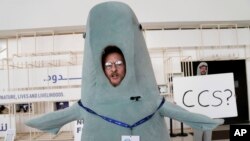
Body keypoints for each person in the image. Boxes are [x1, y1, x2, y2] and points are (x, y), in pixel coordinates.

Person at [26, 2, 223, 141]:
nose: (113, 69)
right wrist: (39, 122)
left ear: (127, 64)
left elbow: (182, 114)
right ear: (102, 68)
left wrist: (205, 121)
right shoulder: (91, 103)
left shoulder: (151, 101)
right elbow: (59, 117)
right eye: (109, 65)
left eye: (119, 63)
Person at [194, 61, 212, 141]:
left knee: (208, 136)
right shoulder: (193, 81)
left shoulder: (211, 81)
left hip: (209, 113)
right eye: (202, 68)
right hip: (198, 113)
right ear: (199, 69)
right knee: (198, 136)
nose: (203, 70)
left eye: (205, 68)